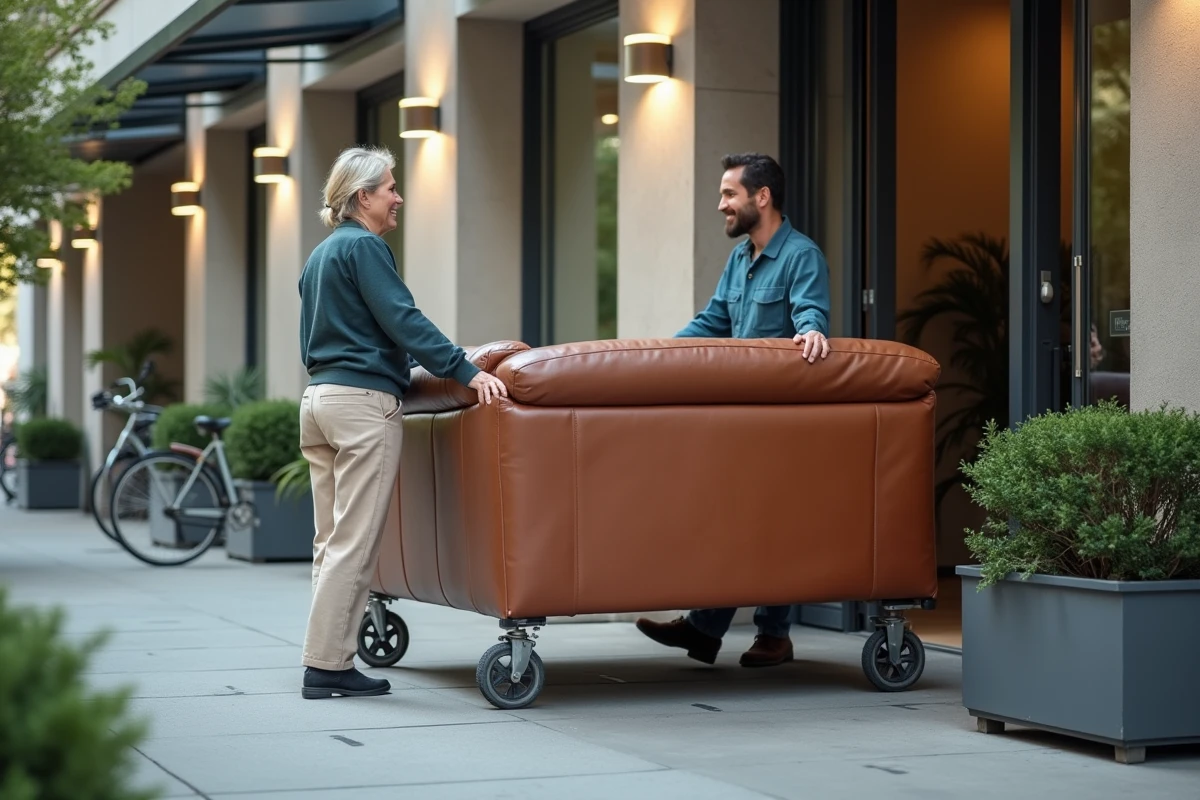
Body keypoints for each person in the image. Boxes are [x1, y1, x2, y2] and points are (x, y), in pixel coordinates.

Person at [297, 146, 507, 699]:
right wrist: (464, 369)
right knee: (355, 542)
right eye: (389, 187)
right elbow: (403, 319)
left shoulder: (320, 256)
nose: (398, 197)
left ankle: (326, 656)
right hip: (362, 406)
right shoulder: (365, 247)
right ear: (361, 196)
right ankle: (327, 666)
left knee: (330, 540)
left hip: (318, 401)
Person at [635, 152, 832, 668]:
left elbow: (810, 311)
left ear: (760, 197)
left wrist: (811, 328)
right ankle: (704, 630)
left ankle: (773, 635)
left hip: (781, 424)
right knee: (732, 522)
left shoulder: (800, 256)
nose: (721, 204)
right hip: (740, 423)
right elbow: (713, 320)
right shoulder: (740, 259)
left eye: (729, 194)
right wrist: (656, 355)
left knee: (773, 524)